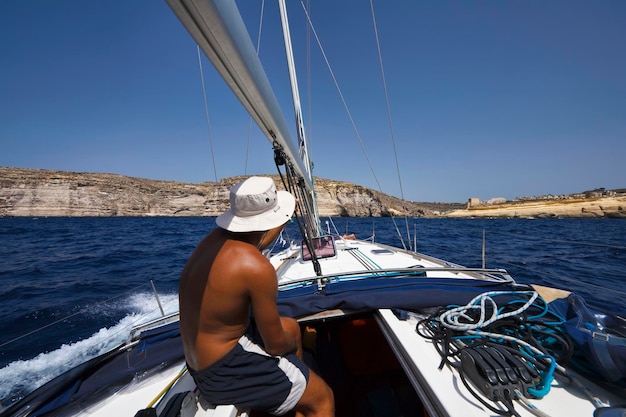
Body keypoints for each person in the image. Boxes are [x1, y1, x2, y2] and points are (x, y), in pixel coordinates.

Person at [179, 176, 334, 417]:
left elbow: (257, 238)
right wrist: (294, 345)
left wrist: (284, 218)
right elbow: (275, 345)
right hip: (224, 371)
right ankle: (306, 397)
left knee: (292, 326)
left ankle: (296, 392)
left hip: (198, 362)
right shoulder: (257, 267)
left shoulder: (212, 241)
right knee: (324, 398)